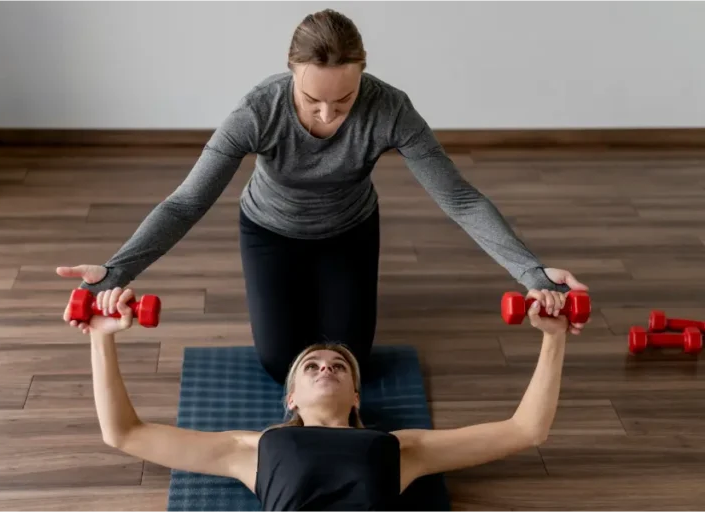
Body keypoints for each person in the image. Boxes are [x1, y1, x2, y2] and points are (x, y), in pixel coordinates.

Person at [57, 9, 588, 384]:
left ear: (363, 77)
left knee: (351, 361)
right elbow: (185, 202)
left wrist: (533, 275)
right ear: (291, 71)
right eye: (312, 100)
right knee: (280, 364)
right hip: (269, 232)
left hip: (348, 231)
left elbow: (462, 200)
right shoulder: (256, 112)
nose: (329, 117)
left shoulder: (390, 109)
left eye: (345, 100)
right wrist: (118, 270)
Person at [84, 285, 570, 510]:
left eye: (340, 366)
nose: (326, 368)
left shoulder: (402, 449)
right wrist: (101, 336)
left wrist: (555, 336)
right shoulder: (253, 448)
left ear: (356, 394)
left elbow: (527, 430)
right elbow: (124, 434)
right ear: (290, 397)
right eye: (312, 367)